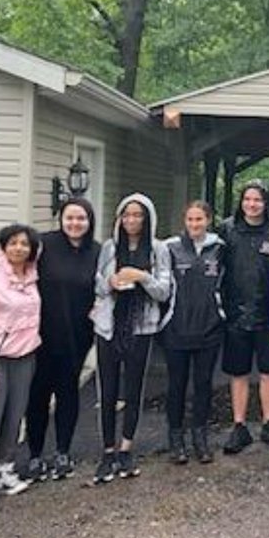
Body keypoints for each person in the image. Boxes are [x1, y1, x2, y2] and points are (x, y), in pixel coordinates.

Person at [91, 194, 173, 483]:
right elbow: (98, 285)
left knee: (134, 387)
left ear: (147, 217)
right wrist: (110, 282)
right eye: (126, 215)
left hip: (141, 326)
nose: (132, 221)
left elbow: (164, 290)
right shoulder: (110, 248)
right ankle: (107, 450)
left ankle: (126, 448)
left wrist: (141, 276)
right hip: (109, 325)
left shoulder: (158, 249)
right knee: (108, 390)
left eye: (138, 215)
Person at [24, 198, 98, 483]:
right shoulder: (43, 245)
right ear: (61, 219)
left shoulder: (97, 251)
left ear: (89, 221)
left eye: (81, 219)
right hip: (39, 336)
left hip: (77, 336)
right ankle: (34, 454)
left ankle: (63, 452)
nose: (75, 223)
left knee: (68, 393)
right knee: (37, 396)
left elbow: (103, 289)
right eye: (70, 218)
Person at [220, 179, 269, 453]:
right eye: (247, 199)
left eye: (258, 200)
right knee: (238, 372)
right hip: (235, 312)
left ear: (266, 203)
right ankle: (239, 425)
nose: (252, 204)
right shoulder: (226, 230)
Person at [163, 200, 225, 465]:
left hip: (209, 329)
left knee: (203, 385)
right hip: (177, 329)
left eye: (199, 219)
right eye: (190, 220)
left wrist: (222, 314)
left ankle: (200, 437)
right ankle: (176, 439)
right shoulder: (170, 248)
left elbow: (227, 284)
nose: (194, 225)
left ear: (208, 220)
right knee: (176, 385)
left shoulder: (220, 248)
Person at [0, 224, 42, 497]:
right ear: (4, 246)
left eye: (24, 244)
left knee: (14, 417)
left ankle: (3, 470)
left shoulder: (33, 275)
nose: (19, 248)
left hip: (25, 356)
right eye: (13, 243)